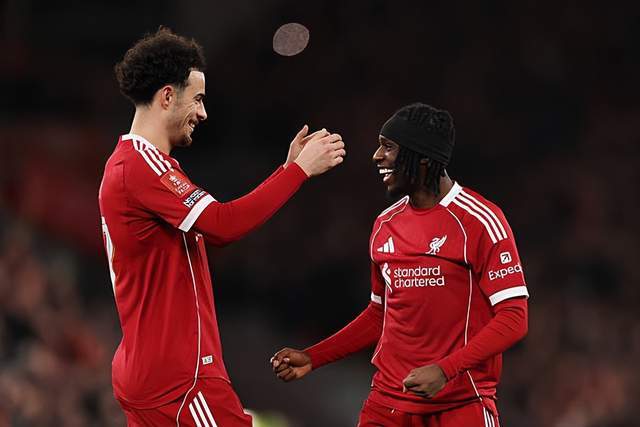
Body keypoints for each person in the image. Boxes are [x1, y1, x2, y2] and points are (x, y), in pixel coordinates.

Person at [99, 28, 345, 427]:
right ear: (167, 97)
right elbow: (221, 225)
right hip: (179, 380)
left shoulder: (130, 164)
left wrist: (284, 170)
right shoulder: (142, 166)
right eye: (197, 99)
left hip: (153, 372)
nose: (203, 113)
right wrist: (298, 172)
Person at [271, 103, 528, 427]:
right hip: (387, 406)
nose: (377, 156)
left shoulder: (479, 221)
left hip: (459, 406)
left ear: (423, 158)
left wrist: (445, 370)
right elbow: (379, 314)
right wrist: (313, 357)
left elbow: (514, 318)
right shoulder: (385, 224)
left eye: (388, 147)